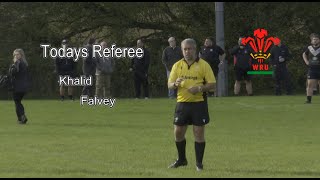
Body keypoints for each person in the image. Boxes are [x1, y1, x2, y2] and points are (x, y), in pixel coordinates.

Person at [167, 38, 216, 171]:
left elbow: (212, 84)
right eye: (185, 49)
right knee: (178, 132)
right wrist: (175, 84)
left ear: (195, 49)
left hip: (198, 103)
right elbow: (170, 84)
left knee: (198, 133)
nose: (188, 51)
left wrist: (199, 88)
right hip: (182, 103)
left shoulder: (204, 65)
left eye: (190, 49)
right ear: (182, 50)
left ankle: (199, 164)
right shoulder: (177, 65)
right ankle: (182, 159)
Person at [9, 49, 31, 124]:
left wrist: (14, 63)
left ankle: (22, 117)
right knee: (18, 102)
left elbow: (13, 72)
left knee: (17, 102)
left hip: (17, 86)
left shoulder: (17, 63)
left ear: (21, 55)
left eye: (17, 54)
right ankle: (20, 119)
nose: (16, 56)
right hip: (23, 86)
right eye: (14, 55)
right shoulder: (25, 63)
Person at [303, 33, 320, 104]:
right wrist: (306, 61)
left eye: (316, 39)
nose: (315, 41)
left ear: (319, 40)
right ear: (311, 41)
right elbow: (304, 54)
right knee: (310, 85)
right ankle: (308, 100)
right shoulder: (309, 48)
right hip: (312, 69)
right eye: (314, 39)